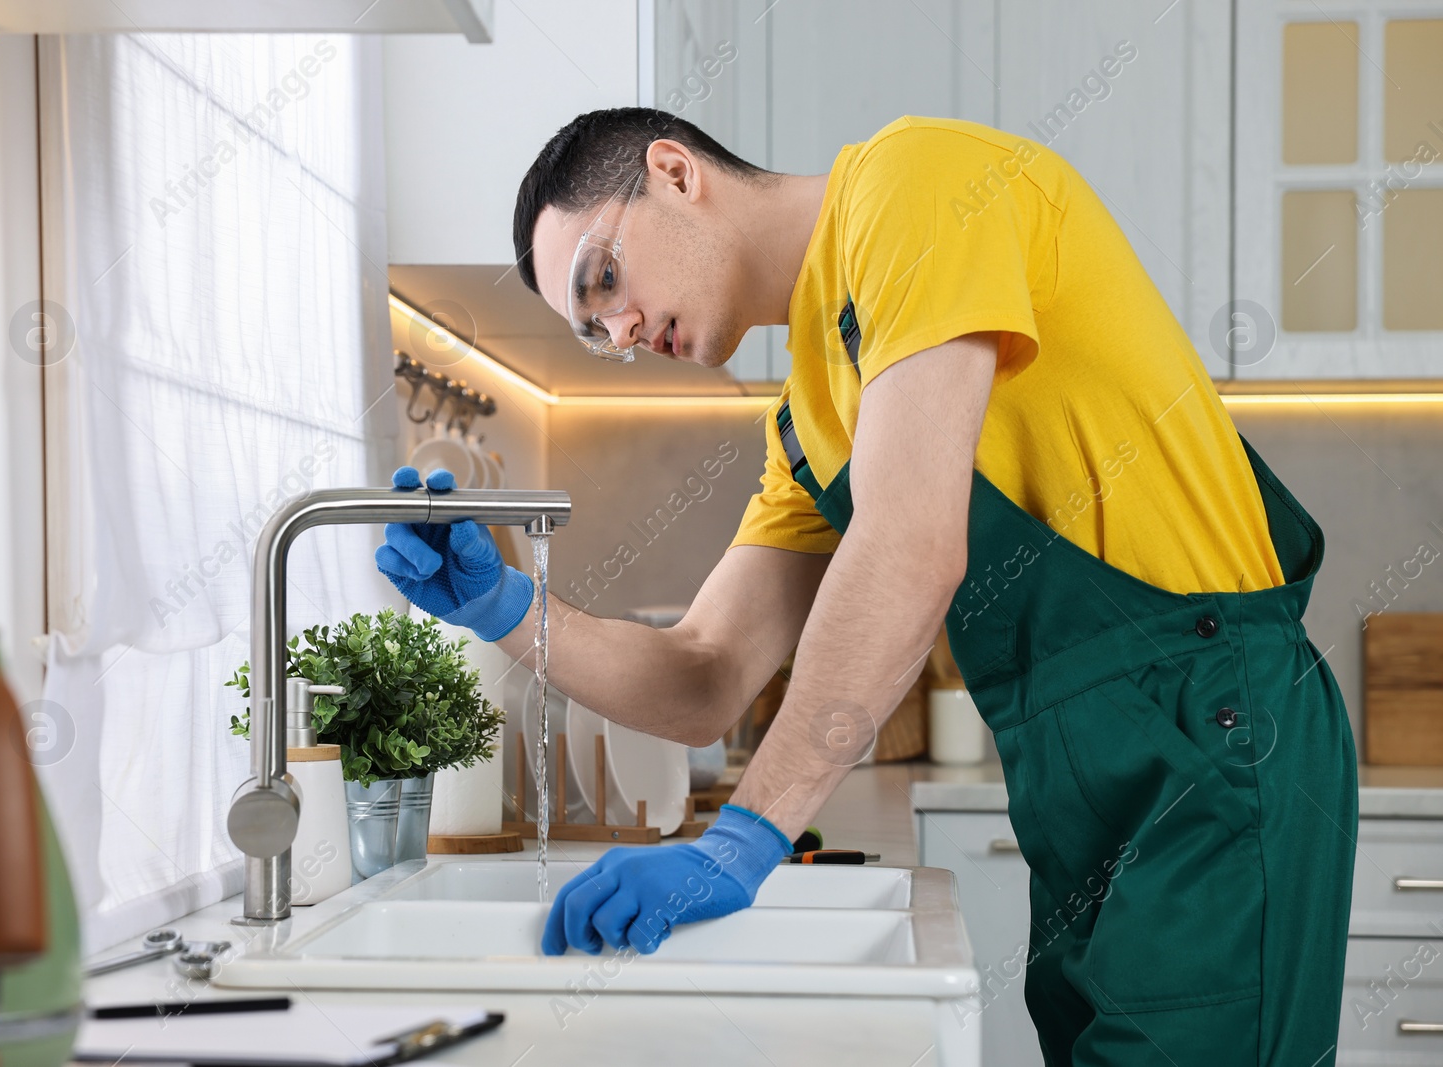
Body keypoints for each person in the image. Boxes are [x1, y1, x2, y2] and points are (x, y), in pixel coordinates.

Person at [375, 108, 1356, 1063]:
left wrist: (743, 839)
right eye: (594, 328)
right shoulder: (810, 424)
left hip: (1213, 728)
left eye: (605, 277)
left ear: (673, 172)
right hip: (1078, 789)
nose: (622, 328)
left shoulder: (912, 182)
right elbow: (704, 674)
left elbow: (909, 545)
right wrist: (505, 609)